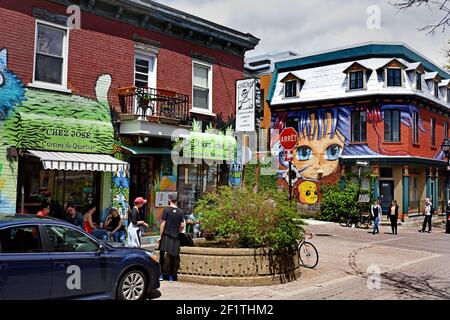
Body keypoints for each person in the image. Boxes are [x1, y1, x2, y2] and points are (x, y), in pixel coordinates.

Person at [158, 193, 185, 283]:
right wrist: (178, 231)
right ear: (176, 200)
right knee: (174, 257)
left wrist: (160, 236)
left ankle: (161, 275)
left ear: (169, 200)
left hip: (166, 236)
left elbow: (163, 224)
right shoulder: (181, 212)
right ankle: (171, 276)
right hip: (175, 237)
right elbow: (182, 225)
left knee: (162, 255)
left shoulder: (166, 210)